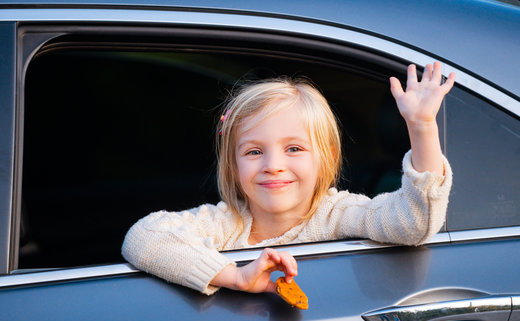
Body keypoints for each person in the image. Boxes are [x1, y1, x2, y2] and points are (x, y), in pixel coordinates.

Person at [122, 61, 455, 296]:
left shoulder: (337, 214)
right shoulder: (223, 222)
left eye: (293, 148)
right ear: (233, 165)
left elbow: (414, 222)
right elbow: (144, 237)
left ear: (324, 159)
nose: (273, 165)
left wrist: (422, 128)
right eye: (253, 152)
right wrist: (236, 276)